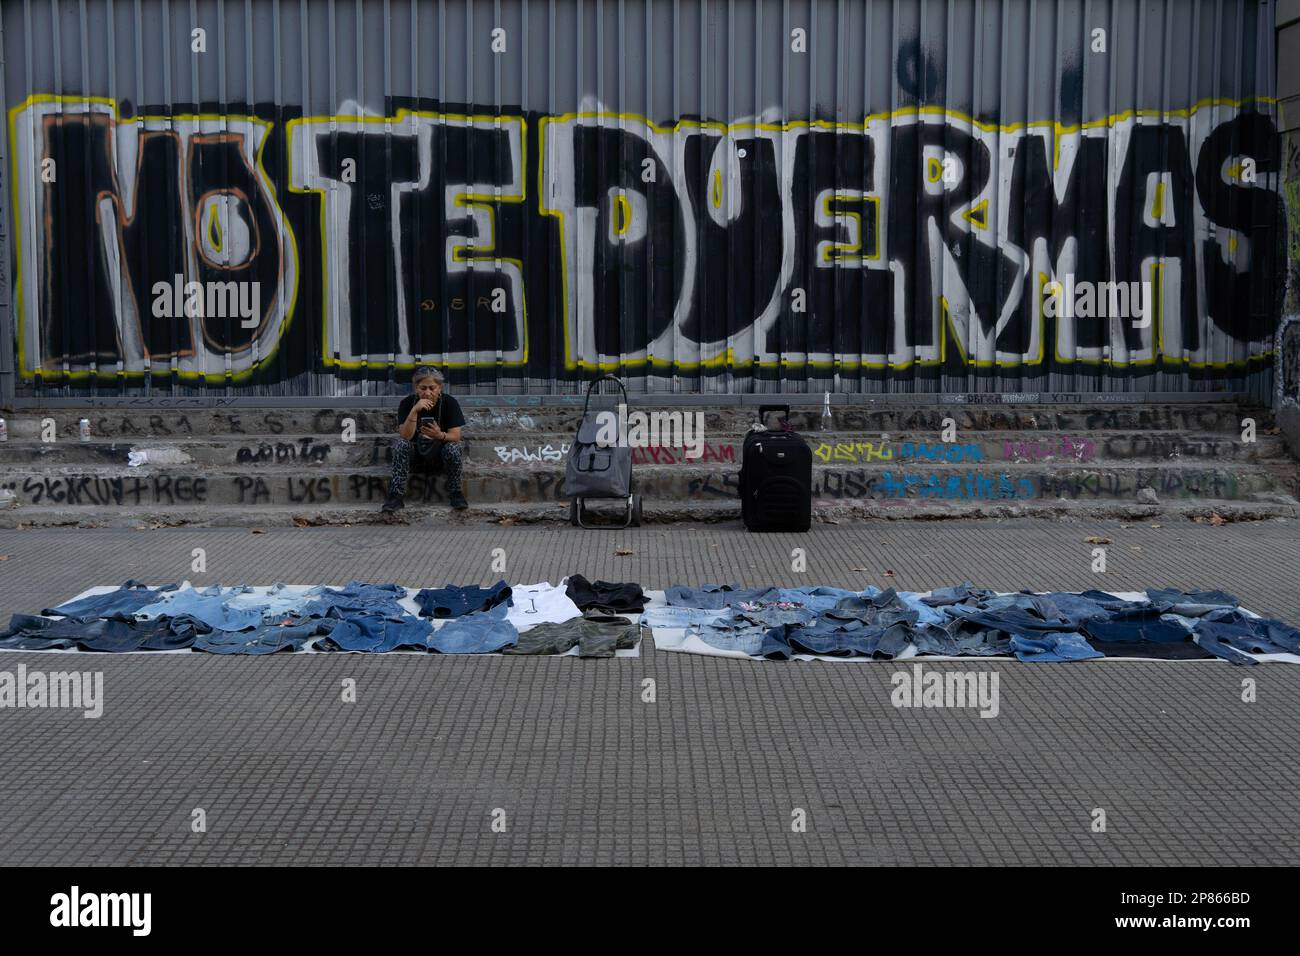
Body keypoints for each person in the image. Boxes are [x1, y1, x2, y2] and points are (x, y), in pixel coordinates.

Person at [382, 366, 468, 512]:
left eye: (432, 388)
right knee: (401, 444)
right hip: (415, 457)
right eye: (423, 388)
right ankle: (395, 496)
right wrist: (415, 410)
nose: (427, 393)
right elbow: (405, 436)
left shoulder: (449, 403)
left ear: (440, 388)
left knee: (453, 447)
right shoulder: (407, 403)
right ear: (416, 388)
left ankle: (456, 493)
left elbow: (456, 435)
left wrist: (439, 435)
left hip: (439, 456)